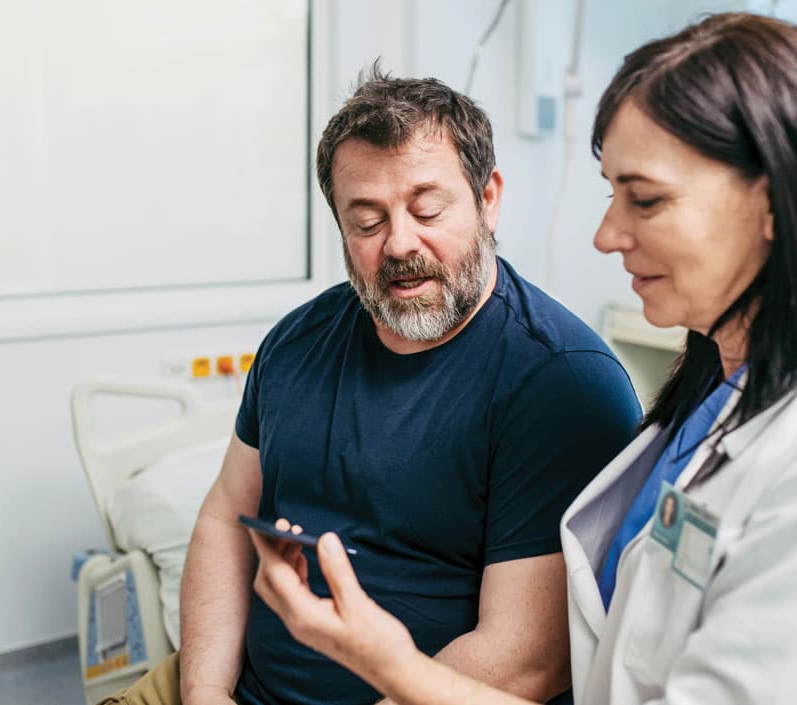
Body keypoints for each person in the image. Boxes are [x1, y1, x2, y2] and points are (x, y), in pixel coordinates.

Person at [248, 13, 797, 705]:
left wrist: (393, 666)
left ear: (774, 200)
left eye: (642, 199)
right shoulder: (723, 388)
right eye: (611, 193)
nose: (605, 234)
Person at [99, 68, 642, 705]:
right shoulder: (297, 343)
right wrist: (206, 692)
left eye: (427, 209)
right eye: (366, 221)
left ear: (488, 199)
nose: (400, 243)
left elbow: (526, 661)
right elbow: (224, 515)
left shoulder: (562, 384)